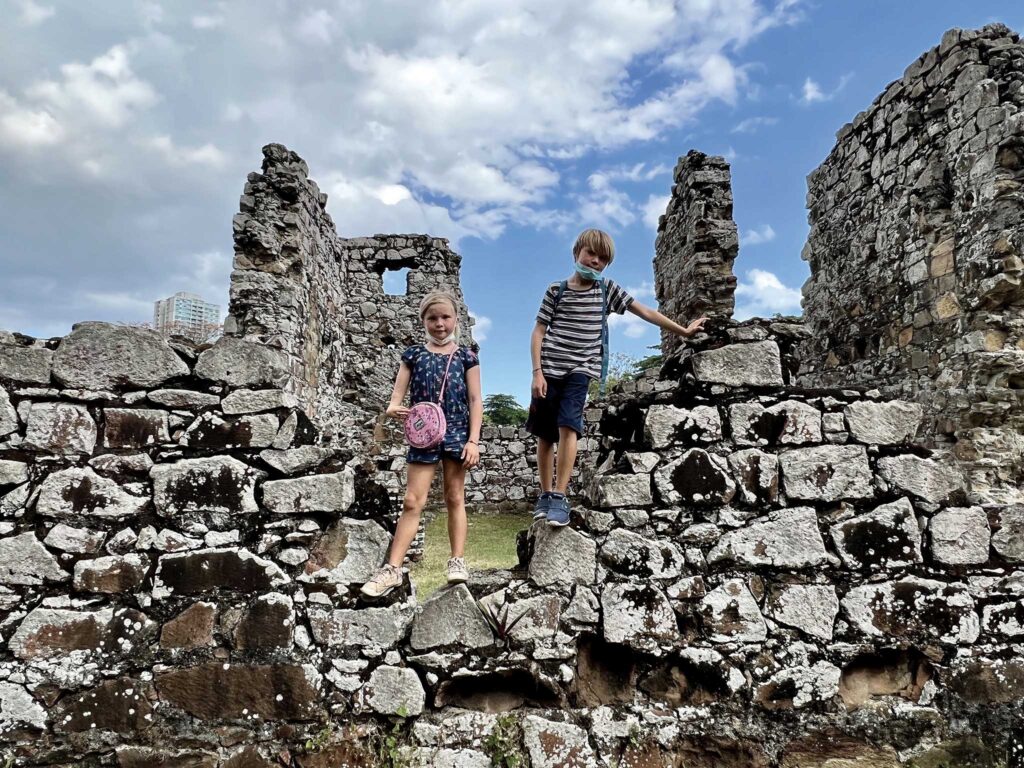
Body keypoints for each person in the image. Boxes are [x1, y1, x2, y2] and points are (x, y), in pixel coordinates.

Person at [528, 228, 707, 526]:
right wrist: (537, 372)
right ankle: (545, 495)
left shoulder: (606, 290)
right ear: (577, 253)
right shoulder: (555, 290)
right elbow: (539, 331)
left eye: (603, 259)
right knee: (545, 435)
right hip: (548, 371)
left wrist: (683, 331)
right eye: (590, 254)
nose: (595, 261)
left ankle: (560, 495)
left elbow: (645, 311)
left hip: (579, 372)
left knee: (569, 427)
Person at [360, 291, 483, 598]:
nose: (439, 324)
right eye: (432, 318)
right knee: (413, 501)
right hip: (424, 433)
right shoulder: (413, 355)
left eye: (445, 317)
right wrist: (394, 407)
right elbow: (396, 397)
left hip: (456, 432)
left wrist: (473, 441)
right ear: (423, 321)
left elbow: (475, 399)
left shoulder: (467, 356)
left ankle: (457, 561)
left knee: (455, 496)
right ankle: (392, 570)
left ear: (455, 319)